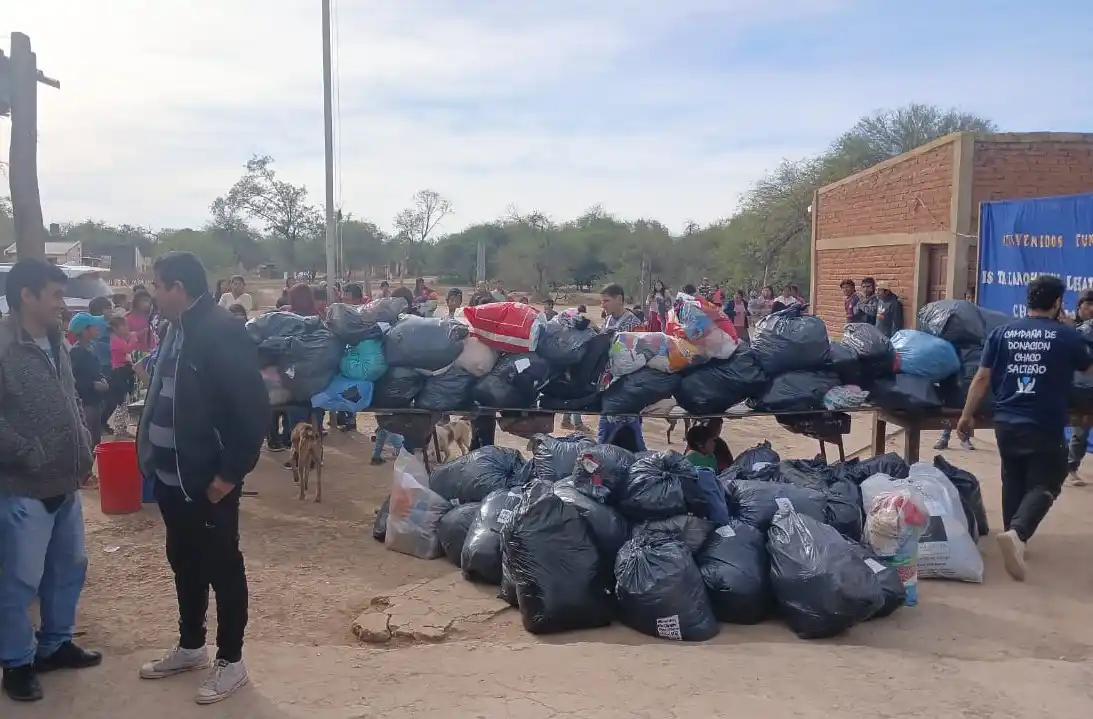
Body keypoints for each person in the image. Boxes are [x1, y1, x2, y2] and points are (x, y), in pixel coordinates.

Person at [138, 251, 268, 704]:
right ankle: (192, 645)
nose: (151, 294)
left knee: (222, 567)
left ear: (177, 288)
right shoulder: (177, 330)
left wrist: (229, 475)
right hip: (173, 479)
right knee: (184, 562)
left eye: (156, 285)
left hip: (207, 481)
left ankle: (231, 662)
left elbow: (252, 411)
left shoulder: (220, 331)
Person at [0, 259, 100, 702]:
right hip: (23, 487)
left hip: (66, 480)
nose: (63, 304)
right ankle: (17, 663)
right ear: (26, 295)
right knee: (19, 581)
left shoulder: (57, 339)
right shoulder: (4, 346)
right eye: (55, 295)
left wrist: (84, 442)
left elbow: (70, 394)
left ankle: (54, 644)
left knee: (68, 567)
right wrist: (27, 451)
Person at [958, 275, 1093, 582]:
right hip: (1044, 420)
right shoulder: (1067, 337)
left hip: (1005, 421)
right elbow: (1087, 368)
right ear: (1057, 303)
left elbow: (981, 379)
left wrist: (967, 415)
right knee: (1049, 479)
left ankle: (1014, 536)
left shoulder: (1002, 333)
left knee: (1014, 476)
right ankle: (1017, 534)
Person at [598, 283, 646, 450]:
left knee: (631, 435)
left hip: (628, 385)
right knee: (605, 435)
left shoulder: (635, 323)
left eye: (606, 301)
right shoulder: (608, 320)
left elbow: (640, 354)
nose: (603, 305)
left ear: (619, 299)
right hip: (609, 383)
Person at [68, 313, 111, 455]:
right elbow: (73, 379)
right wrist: (93, 384)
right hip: (85, 402)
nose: (98, 328)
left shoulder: (91, 348)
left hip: (95, 399)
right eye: (94, 326)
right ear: (84, 330)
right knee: (88, 439)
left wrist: (102, 379)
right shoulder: (76, 353)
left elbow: (95, 371)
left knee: (96, 438)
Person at [1067, 289, 1093, 486]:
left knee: (1082, 429)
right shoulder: (1070, 327)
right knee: (1080, 430)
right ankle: (1070, 467)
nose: (1091, 310)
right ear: (1079, 307)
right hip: (1073, 387)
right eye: (1088, 305)